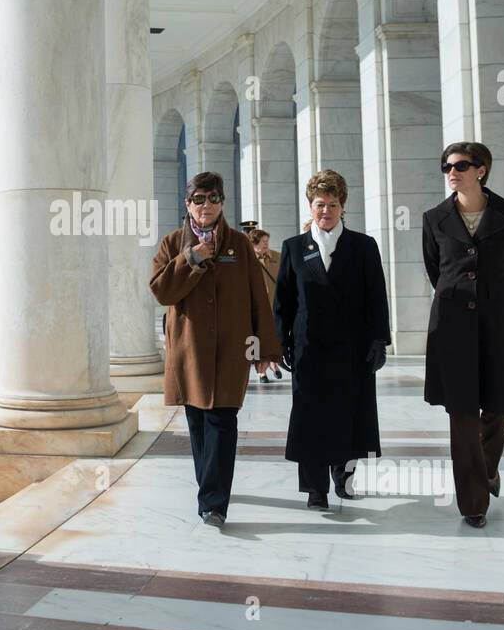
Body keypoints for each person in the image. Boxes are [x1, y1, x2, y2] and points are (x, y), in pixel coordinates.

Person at [150, 172, 282, 527]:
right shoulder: (172, 243)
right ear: (187, 204)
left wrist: (265, 349)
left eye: (213, 198)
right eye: (198, 198)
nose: (206, 205)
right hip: (190, 351)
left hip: (231, 350)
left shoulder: (239, 245)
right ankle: (210, 489)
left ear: (222, 202)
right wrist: (191, 258)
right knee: (198, 425)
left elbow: (258, 297)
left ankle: (214, 504)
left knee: (223, 422)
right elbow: (162, 292)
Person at [422, 142, 504, 529]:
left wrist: (490, 298)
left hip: (498, 322)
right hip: (452, 326)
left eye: (460, 165)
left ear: (482, 170)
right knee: (461, 414)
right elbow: (436, 270)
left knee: (499, 407)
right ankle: (473, 504)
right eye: (446, 166)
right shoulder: (434, 218)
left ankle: (487, 469)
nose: (451, 172)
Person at [273, 169, 390, 509]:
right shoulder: (294, 248)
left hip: (352, 349)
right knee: (311, 417)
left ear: (343, 207)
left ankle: (345, 478)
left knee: (350, 414)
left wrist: (379, 341)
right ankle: (315, 488)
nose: (326, 211)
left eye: (333, 204)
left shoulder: (363, 246)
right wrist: (282, 344)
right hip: (309, 350)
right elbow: (282, 302)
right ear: (310, 207)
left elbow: (376, 298)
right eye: (319, 204)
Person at [247, 228, 283, 384]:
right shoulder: (247, 260)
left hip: (275, 306)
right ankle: (260, 372)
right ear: (254, 243)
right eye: (263, 242)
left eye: (267, 241)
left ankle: (274, 363)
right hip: (255, 309)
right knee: (255, 340)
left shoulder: (278, 257)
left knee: (274, 337)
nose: (266, 244)